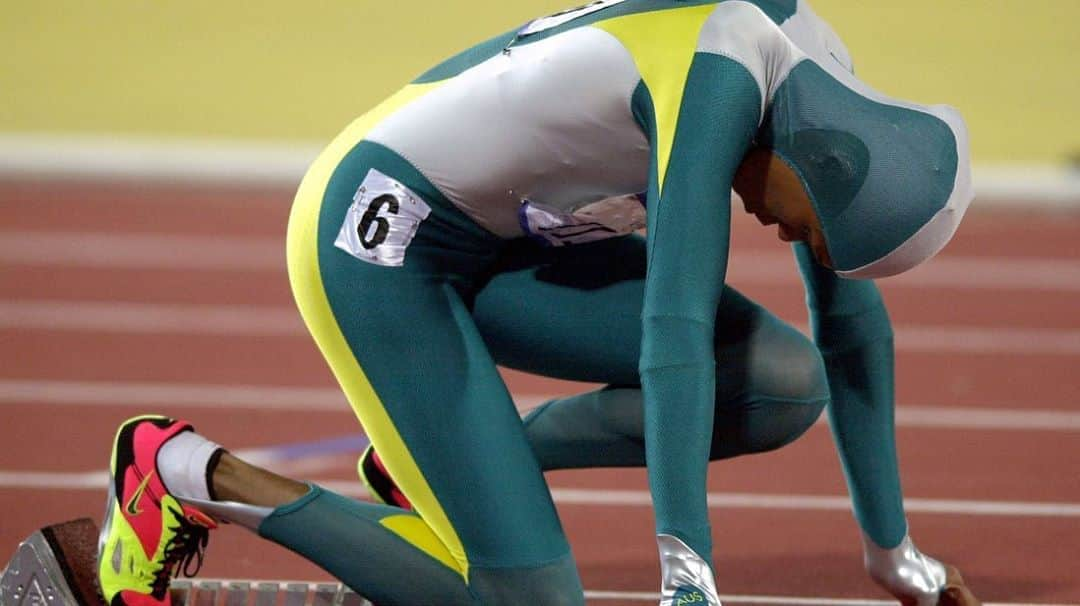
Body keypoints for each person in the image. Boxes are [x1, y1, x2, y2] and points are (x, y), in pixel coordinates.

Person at [95, 1, 981, 605]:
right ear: (826, 179)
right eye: (809, 233)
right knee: (529, 598)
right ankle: (178, 471)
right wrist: (686, 570)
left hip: (506, 245)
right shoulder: (721, 80)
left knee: (783, 381)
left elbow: (850, 329)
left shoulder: (828, 97)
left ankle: (435, 470)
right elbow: (669, 338)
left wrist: (892, 553)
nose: (790, 242)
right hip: (377, 244)